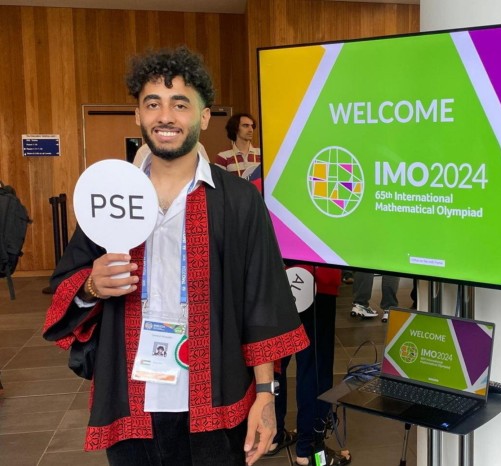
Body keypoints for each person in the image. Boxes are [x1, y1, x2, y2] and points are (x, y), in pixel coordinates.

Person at [42, 47, 308, 466]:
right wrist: (92, 285)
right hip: (132, 397)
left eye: (180, 104)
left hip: (216, 396)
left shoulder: (238, 200)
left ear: (203, 118)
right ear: (138, 115)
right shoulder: (111, 196)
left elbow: (263, 301)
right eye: (153, 104)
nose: (165, 116)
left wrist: (265, 395)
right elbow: (66, 289)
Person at [267, 265, 351, 465]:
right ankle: (309, 449)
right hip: (316, 276)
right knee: (314, 365)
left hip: (276, 273)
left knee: (276, 360)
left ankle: (273, 435)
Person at [214, 113, 262, 190]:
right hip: (235, 200)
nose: (250, 130)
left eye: (252, 126)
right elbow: (218, 185)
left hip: (258, 199)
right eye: (245, 126)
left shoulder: (261, 154)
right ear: (235, 128)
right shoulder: (223, 157)